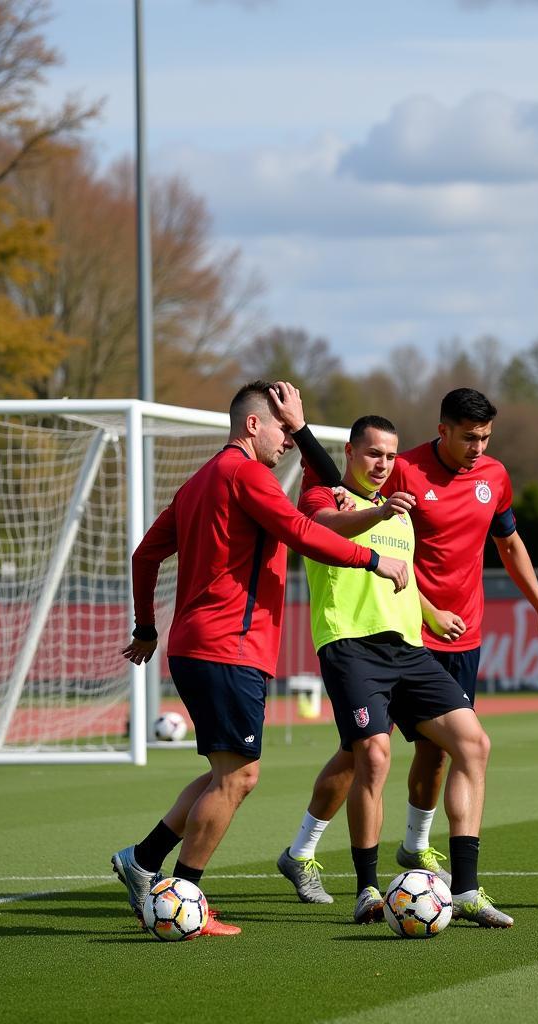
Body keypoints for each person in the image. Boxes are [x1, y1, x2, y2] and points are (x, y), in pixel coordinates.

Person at [111, 381, 408, 937]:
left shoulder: (199, 481)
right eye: (280, 429)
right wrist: (372, 560)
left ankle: (143, 861)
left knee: (223, 771)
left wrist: (148, 625)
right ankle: (181, 901)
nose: (287, 443)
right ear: (253, 425)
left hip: (199, 645)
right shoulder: (248, 475)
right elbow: (301, 530)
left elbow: (144, 553)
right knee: (240, 777)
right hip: (230, 646)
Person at [277, 388, 538, 903]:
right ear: (443, 430)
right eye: (470, 437)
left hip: (442, 634)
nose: (478, 447)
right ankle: (310, 853)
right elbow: (336, 496)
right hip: (371, 638)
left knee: (442, 750)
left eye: (486, 438)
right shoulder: (394, 480)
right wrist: (301, 431)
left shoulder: (487, 479)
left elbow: (507, 543)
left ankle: (419, 851)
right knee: (364, 754)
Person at [298, 413, 512, 926]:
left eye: (390, 456)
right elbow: (324, 530)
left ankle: (465, 889)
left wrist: (432, 612)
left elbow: (405, 578)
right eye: (373, 453)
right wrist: (373, 512)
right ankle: (368, 890)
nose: (383, 464)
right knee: (373, 756)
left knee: (473, 744)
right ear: (349, 452)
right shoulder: (325, 500)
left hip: (409, 649)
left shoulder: (396, 515)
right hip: (350, 644)